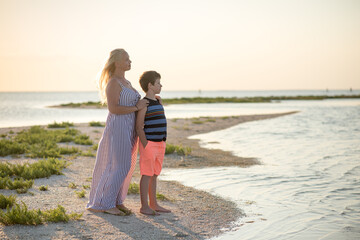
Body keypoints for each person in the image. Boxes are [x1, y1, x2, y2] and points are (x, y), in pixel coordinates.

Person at [86, 49, 148, 215]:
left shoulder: (126, 82)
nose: (130, 62)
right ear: (117, 62)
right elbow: (113, 108)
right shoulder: (114, 82)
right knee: (121, 165)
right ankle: (106, 204)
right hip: (119, 126)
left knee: (127, 166)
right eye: (127, 59)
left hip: (130, 127)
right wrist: (137, 107)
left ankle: (117, 201)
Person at [136, 71, 171, 215]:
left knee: (155, 174)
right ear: (150, 85)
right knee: (146, 174)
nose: (161, 85)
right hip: (150, 144)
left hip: (160, 143)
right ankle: (144, 206)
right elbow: (139, 126)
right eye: (158, 83)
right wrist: (146, 144)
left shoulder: (158, 101)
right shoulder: (144, 104)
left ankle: (154, 204)